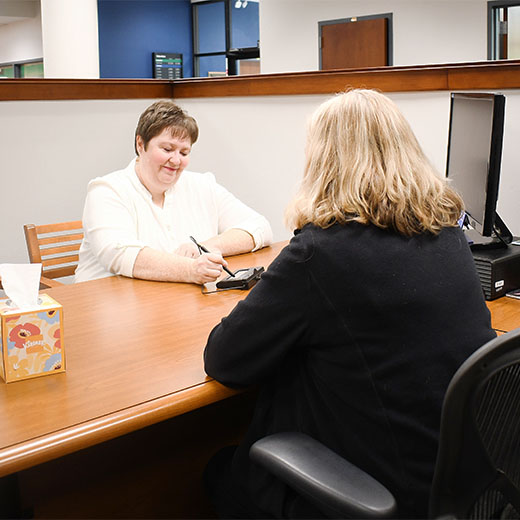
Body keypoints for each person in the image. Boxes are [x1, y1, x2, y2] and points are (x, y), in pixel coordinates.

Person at [202, 89, 496, 518]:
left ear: (324, 163)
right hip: (463, 483)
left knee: (217, 470)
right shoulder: (449, 237)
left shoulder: (319, 254)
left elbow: (224, 359)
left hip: (382, 492)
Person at [74, 100, 272, 284]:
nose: (176, 160)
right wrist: (190, 269)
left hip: (174, 304)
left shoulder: (202, 185)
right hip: (108, 307)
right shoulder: (106, 190)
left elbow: (260, 228)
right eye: (167, 149)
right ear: (140, 144)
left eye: (184, 152)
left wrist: (206, 246)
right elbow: (121, 255)